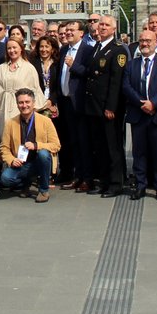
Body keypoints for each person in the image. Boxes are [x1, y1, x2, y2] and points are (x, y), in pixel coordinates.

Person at [122, 30, 157, 200]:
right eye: (142, 40)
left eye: (148, 41)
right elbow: (127, 86)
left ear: (155, 43)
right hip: (139, 114)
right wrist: (141, 103)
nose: (145, 44)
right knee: (139, 153)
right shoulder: (132, 64)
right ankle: (140, 185)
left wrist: (154, 103)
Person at [85, 15, 128, 198]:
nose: (101, 27)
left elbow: (116, 82)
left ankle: (115, 183)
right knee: (99, 147)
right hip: (94, 107)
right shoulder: (97, 46)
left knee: (112, 147)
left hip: (108, 108)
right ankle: (103, 181)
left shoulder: (118, 50)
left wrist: (112, 107)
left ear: (114, 28)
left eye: (106, 25)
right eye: (100, 24)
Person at [0, 88, 60, 203]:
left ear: (33, 103)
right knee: (5, 179)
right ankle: (25, 183)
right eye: (21, 102)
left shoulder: (46, 121)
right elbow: (4, 147)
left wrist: (36, 145)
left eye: (27, 102)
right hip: (22, 163)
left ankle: (43, 190)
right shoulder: (10, 123)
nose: (24, 105)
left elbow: (56, 145)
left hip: (40, 162)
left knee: (43, 154)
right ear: (17, 105)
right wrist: (11, 160)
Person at [53, 20, 92, 192]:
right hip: (65, 102)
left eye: (72, 30)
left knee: (84, 142)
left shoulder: (88, 50)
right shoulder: (64, 50)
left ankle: (87, 178)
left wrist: (73, 65)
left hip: (80, 104)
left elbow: (89, 73)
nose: (68, 33)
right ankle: (75, 176)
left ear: (81, 33)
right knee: (71, 141)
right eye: (66, 30)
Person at [0, 38, 46, 137]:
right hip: (4, 109)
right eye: (9, 48)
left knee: (20, 136)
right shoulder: (1, 68)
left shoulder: (29, 68)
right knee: (5, 136)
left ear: (21, 49)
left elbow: (35, 91)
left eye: (14, 47)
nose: (12, 50)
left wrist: (31, 110)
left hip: (21, 108)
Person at [30, 35, 59, 109]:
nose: (43, 49)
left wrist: (51, 100)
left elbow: (58, 85)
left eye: (47, 46)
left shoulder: (57, 63)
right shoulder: (32, 62)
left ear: (52, 49)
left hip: (54, 103)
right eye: (41, 46)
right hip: (37, 102)